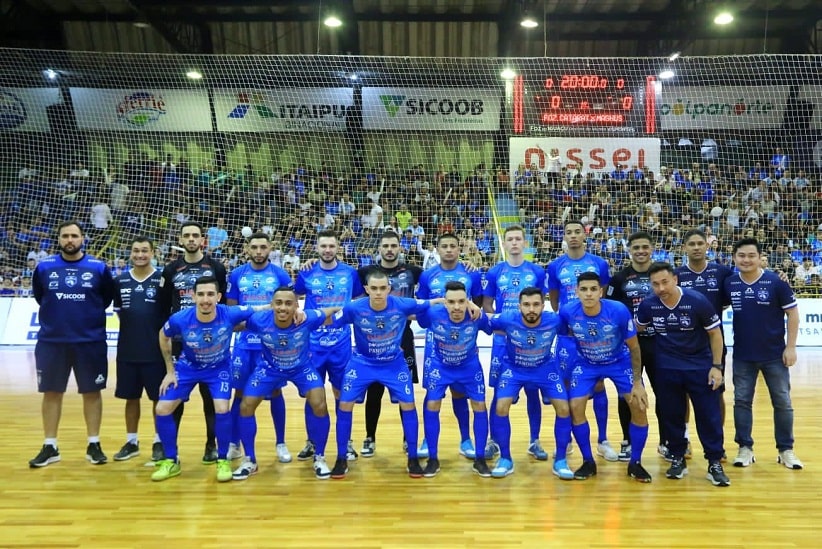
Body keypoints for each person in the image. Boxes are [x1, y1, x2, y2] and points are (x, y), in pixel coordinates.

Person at [326, 270, 442, 479]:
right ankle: (341, 458)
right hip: (362, 363)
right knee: (344, 404)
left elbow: (434, 302)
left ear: (389, 289)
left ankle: (413, 458)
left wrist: (468, 305)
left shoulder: (403, 304)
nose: (378, 293)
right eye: (374, 289)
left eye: (383, 288)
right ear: (366, 290)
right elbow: (331, 319)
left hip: (393, 364)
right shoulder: (354, 308)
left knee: (408, 404)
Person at [151, 276, 256, 482]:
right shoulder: (180, 318)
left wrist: (294, 312)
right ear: (193, 296)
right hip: (188, 367)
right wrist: (170, 371)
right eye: (200, 294)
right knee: (162, 409)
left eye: (210, 294)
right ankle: (171, 461)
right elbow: (163, 336)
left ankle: (223, 459)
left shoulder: (230, 312)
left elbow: (261, 310)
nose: (205, 299)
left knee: (222, 408)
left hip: (219, 369)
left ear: (218, 297)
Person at [29, 220, 115, 468]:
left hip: (90, 342)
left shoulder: (98, 268)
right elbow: (39, 297)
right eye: (65, 236)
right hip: (51, 343)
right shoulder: (44, 268)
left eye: (74, 236)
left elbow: (106, 299)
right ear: (59, 239)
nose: (70, 240)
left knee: (92, 392)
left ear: (82, 239)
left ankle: (94, 444)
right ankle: (50, 445)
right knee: (52, 393)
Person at [636, 263, 730, 486]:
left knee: (709, 416)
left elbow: (715, 335)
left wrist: (717, 367)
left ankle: (714, 462)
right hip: (667, 369)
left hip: (700, 368)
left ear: (675, 280)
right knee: (672, 416)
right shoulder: (648, 305)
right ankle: (677, 457)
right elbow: (635, 330)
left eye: (665, 282)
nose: (660, 288)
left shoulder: (697, 301)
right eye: (655, 284)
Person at [232, 287, 338, 481]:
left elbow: (332, 309)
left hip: (301, 368)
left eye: (289, 303)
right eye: (278, 303)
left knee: (319, 403)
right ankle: (250, 460)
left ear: (297, 305)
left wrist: (307, 313)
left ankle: (320, 457)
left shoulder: (308, 318)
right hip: (269, 369)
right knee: (246, 406)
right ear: (272, 305)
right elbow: (234, 323)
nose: (283, 308)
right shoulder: (258, 320)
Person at [559, 272, 652, 483]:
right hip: (586, 363)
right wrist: (565, 374)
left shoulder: (618, 310)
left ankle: (635, 463)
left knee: (638, 405)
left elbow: (635, 348)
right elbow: (565, 343)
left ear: (601, 291)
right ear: (577, 292)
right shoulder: (567, 312)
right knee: (575, 407)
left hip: (619, 362)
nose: (589, 294)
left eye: (593, 289)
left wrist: (637, 382)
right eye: (584, 289)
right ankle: (588, 461)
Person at [724, 238, 803, 470]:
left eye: (751, 255)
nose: (746, 260)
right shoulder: (729, 283)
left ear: (760, 258)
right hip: (742, 356)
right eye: (741, 255)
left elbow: (794, 315)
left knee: (783, 402)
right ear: (734, 258)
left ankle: (786, 450)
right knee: (742, 402)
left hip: (775, 356)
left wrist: (791, 347)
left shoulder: (776, 283)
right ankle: (745, 448)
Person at [547, 220, 616, 461]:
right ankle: (565, 441)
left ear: (584, 235)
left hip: (594, 335)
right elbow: (554, 300)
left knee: (598, 384)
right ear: (564, 236)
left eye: (577, 232)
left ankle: (603, 440)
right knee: (565, 388)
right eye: (568, 232)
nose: (573, 236)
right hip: (567, 336)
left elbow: (602, 294)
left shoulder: (599, 263)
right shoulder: (555, 266)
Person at [159, 221, 227, 464]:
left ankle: (212, 445)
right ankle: (169, 451)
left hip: (210, 342)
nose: (191, 239)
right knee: (174, 397)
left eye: (195, 235)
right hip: (180, 342)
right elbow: (164, 304)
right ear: (180, 239)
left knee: (211, 397)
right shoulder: (170, 270)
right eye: (186, 235)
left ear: (202, 240)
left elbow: (224, 301)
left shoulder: (216, 267)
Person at [485, 287, 571, 479]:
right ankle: (505, 459)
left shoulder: (555, 320)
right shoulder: (507, 318)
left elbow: (573, 332)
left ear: (543, 305)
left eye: (535, 304)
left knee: (564, 409)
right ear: (519, 306)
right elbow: (484, 322)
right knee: (501, 406)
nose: (531, 309)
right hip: (514, 368)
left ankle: (561, 460)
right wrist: (469, 306)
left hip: (545, 368)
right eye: (526, 305)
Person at [294, 230, 364, 462]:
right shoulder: (306, 272)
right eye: (323, 246)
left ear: (338, 248)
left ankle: (347, 442)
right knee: (312, 394)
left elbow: (357, 301)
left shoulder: (350, 273)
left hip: (341, 343)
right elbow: (293, 297)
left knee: (343, 394)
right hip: (312, 343)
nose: (327, 250)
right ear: (317, 248)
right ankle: (312, 442)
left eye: (331, 246)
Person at [225, 232, 292, 464]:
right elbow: (232, 311)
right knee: (240, 393)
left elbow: (288, 306)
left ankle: (281, 443)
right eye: (254, 247)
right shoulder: (236, 274)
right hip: (244, 344)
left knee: (275, 392)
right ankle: (234, 444)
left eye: (263, 247)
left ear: (270, 248)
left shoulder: (280, 274)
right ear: (247, 249)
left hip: (271, 345)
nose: (259, 251)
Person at [415, 233, 483, 460]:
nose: (449, 250)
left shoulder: (471, 273)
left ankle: (466, 439)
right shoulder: (427, 276)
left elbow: (479, 305)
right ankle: (427, 438)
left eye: (453, 246)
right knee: (432, 394)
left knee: (460, 391)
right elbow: (422, 306)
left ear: (458, 248)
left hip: (464, 343)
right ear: (437, 249)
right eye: (444, 246)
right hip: (436, 342)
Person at [482, 225, 547, 460]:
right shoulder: (495, 272)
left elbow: (539, 302)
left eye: (519, 238)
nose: (515, 243)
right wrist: (498, 325)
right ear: (505, 243)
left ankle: (534, 440)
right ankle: (494, 441)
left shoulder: (537, 272)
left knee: (533, 391)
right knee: (501, 393)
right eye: (510, 239)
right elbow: (487, 305)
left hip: (530, 342)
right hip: (503, 342)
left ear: (525, 242)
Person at [356, 231, 423, 457]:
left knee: (405, 391)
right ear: (379, 248)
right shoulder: (365, 273)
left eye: (394, 245)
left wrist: (469, 265)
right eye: (385, 245)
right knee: (374, 390)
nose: (390, 249)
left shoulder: (414, 272)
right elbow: (353, 299)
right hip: (372, 340)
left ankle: (408, 438)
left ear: (400, 247)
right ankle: (369, 437)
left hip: (403, 338)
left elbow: (440, 277)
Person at [416, 281, 491, 477]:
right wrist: (437, 301)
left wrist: (479, 309)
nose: (457, 307)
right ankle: (433, 459)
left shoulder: (476, 316)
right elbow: (413, 310)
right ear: (444, 302)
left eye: (461, 301)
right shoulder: (433, 314)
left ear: (467, 300)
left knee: (480, 407)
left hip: (469, 368)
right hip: (440, 367)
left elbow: (494, 327)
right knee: (432, 405)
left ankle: (480, 459)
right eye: (451, 302)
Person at [606, 231, 665, 461]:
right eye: (636, 247)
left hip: (658, 343)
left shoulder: (661, 275)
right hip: (628, 344)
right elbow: (610, 309)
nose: (641, 251)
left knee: (664, 393)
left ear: (652, 249)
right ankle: (627, 441)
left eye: (645, 247)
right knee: (627, 394)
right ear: (629, 250)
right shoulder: (619, 278)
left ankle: (666, 441)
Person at [675, 229, 735, 451]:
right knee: (683, 395)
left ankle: (717, 443)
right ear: (684, 248)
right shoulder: (677, 274)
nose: (697, 247)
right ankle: (685, 438)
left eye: (700, 243)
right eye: (691, 244)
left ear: (707, 246)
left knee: (716, 392)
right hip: (682, 345)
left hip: (712, 344)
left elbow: (730, 300)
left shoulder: (722, 272)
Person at [111, 236, 167, 464]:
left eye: (145, 250)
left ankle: (158, 441)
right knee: (130, 398)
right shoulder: (120, 280)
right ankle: (132, 441)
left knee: (157, 399)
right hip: (127, 350)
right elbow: (119, 311)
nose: (140, 255)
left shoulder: (163, 279)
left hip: (156, 352)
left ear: (153, 253)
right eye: (136, 251)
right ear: (131, 253)